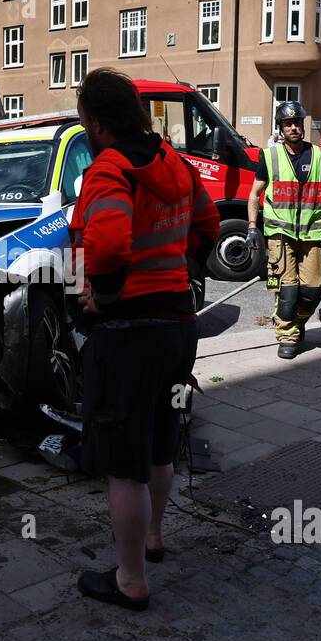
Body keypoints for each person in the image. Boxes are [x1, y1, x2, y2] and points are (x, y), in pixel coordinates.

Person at [69, 68, 221, 611]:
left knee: (122, 461)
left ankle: (130, 579)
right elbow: (207, 225)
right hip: (178, 326)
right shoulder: (173, 162)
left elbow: (107, 245)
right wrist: (178, 274)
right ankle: (154, 537)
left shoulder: (109, 169)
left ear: (97, 122)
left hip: (128, 331)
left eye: (85, 119)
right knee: (160, 441)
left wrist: (107, 297)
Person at [247, 101, 321, 360]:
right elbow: (254, 195)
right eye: (287, 124)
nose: (293, 127)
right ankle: (288, 336)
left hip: (311, 235)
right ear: (280, 128)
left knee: (314, 288)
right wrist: (252, 227)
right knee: (288, 289)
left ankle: (297, 321)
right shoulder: (269, 156)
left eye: (297, 123)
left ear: (302, 125)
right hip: (280, 235)